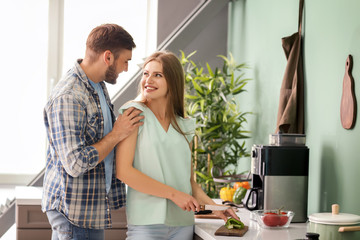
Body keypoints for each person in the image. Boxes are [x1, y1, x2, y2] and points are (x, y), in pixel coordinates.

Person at [116, 51, 240, 240]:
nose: (148, 80)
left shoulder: (184, 125)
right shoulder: (134, 114)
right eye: (146, 73)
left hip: (182, 225)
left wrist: (216, 208)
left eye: (158, 75)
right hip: (146, 224)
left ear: (173, 81)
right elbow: (123, 171)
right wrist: (174, 195)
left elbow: (189, 183)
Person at [42, 23, 144, 240]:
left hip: (89, 209)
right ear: (108, 57)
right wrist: (117, 133)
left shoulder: (97, 85)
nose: (126, 68)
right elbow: (75, 163)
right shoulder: (69, 96)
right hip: (73, 213)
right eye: (125, 61)